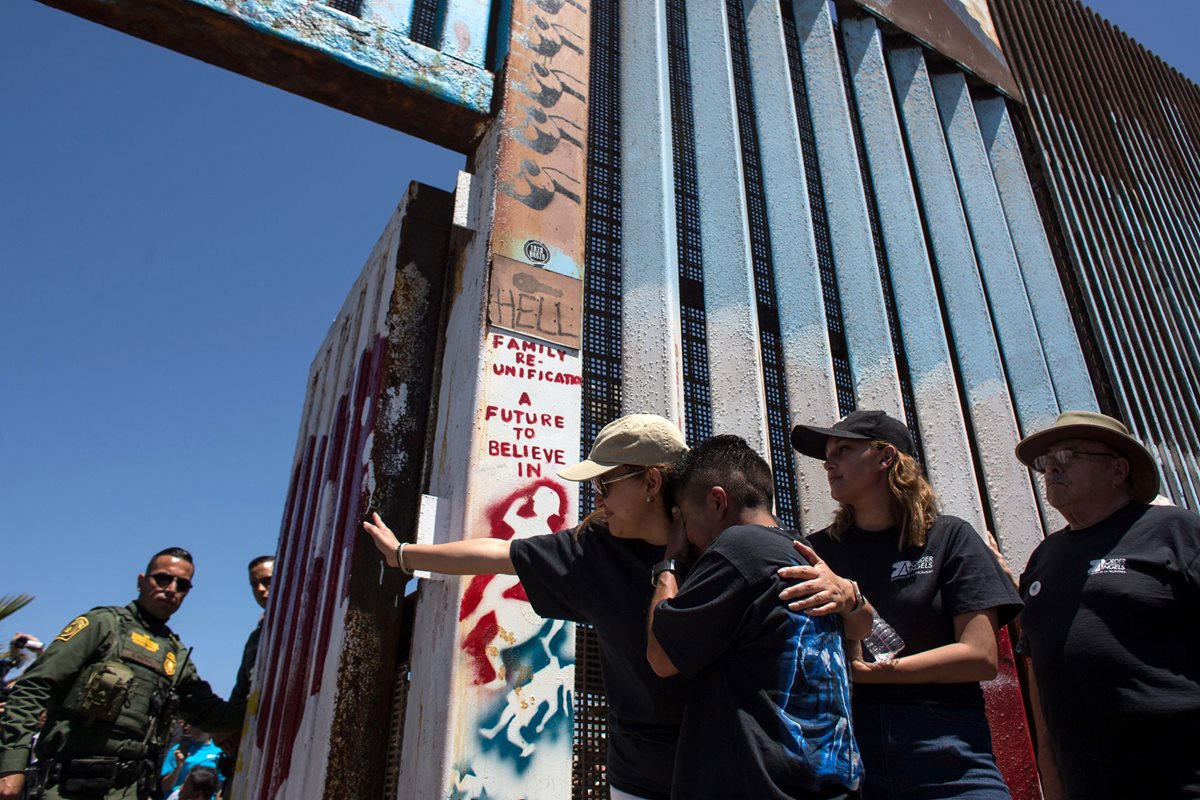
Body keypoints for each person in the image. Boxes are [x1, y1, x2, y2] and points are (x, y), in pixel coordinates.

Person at [363, 414, 691, 800]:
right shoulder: (592, 552)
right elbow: (499, 554)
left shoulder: (715, 542)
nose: (596, 498)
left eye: (604, 483)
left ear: (651, 482)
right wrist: (403, 555)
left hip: (721, 767)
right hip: (640, 780)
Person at [785, 410, 1021, 800]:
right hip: (852, 765)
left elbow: (980, 656)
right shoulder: (816, 552)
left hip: (950, 756)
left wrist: (875, 675)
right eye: (827, 454)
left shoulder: (949, 538)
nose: (828, 463)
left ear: (886, 458)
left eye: (843, 449)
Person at [646, 434, 863, 800]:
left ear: (717, 501)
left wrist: (670, 563)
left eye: (685, 518)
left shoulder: (739, 547)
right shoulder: (803, 554)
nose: (689, 536)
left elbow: (661, 656)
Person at [1013, 411, 1200, 799]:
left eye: (1067, 456)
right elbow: (1038, 676)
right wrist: (1053, 780)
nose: (1051, 469)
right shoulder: (1043, 558)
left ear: (1118, 470)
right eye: (1046, 462)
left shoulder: (1176, 531)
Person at [0, 548, 247, 800]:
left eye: (181, 585)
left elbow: (209, 713)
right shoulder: (103, 625)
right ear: (141, 581)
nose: (171, 588)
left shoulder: (175, 653)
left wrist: (266, 702)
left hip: (129, 790)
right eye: (163, 578)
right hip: (68, 787)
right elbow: (34, 686)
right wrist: (11, 765)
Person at [159, 724, 221, 799]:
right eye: (194, 725)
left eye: (200, 727)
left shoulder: (218, 753)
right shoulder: (178, 749)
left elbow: (220, 789)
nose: (196, 729)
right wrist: (179, 766)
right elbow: (165, 787)